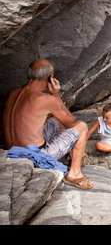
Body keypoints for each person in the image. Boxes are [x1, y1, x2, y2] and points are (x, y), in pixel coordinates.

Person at [2, 59, 93, 189]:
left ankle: (73, 156)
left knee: (54, 118)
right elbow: (71, 122)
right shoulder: (46, 100)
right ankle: (74, 174)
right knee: (82, 126)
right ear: (49, 77)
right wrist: (56, 95)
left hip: (12, 150)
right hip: (35, 156)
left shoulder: (12, 93)